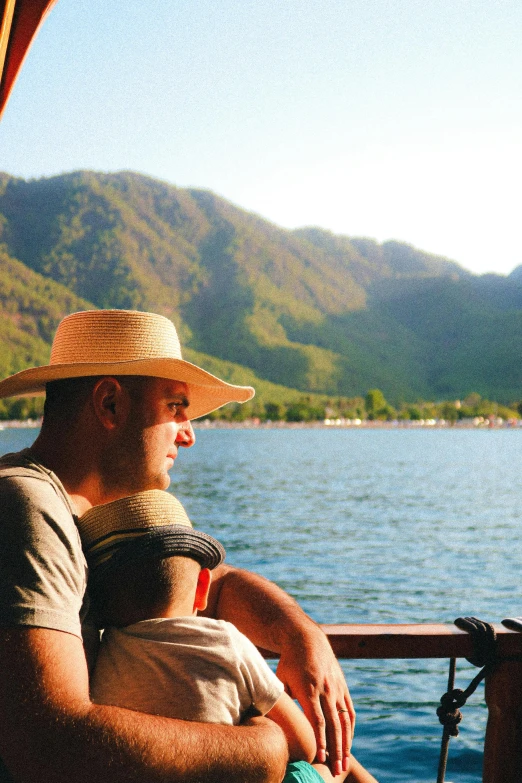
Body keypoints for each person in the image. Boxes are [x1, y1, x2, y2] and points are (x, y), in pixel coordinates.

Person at [0, 309, 355, 783]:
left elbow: (211, 586)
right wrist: (270, 745)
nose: (187, 435)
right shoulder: (25, 506)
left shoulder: (83, 509)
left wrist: (301, 636)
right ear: (109, 404)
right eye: (175, 407)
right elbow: (48, 746)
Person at [78, 489, 377, 783]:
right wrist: (255, 722)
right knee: (342, 764)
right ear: (202, 587)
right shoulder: (227, 642)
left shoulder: (101, 651)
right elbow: (304, 744)